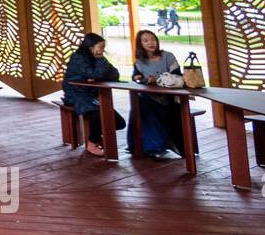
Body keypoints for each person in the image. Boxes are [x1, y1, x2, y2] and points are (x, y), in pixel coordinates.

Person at [62, 33, 126, 157]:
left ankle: (95, 135)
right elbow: (94, 74)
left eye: (103, 47)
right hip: (76, 94)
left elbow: (115, 74)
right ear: (90, 47)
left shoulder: (98, 58)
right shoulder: (78, 57)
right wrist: (96, 72)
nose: (102, 50)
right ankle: (92, 142)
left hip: (91, 94)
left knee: (119, 122)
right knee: (98, 113)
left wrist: (98, 71)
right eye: (100, 47)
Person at [130, 30, 185, 158]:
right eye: (146, 40)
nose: (151, 43)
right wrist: (143, 79)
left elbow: (177, 75)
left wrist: (159, 79)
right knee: (142, 106)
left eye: (153, 39)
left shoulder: (168, 56)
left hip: (170, 97)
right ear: (140, 44)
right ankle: (151, 147)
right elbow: (136, 78)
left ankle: (161, 145)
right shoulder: (140, 62)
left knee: (148, 107)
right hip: (150, 96)